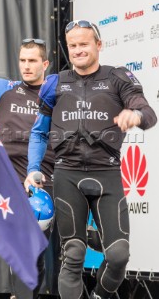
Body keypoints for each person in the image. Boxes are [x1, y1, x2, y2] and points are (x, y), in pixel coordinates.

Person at [24, 20, 157, 299]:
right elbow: (38, 132)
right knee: (73, 252)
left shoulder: (118, 77)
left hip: (106, 172)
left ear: (99, 45)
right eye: (72, 45)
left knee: (119, 255)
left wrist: (136, 116)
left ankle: (98, 296)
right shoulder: (55, 83)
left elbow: (148, 112)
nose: (78, 50)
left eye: (84, 44)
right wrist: (33, 169)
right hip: (66, 173)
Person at [0, 39, 59, 299]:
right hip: (1, 181)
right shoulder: (4, 89)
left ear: (45, 64)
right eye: (22, 60)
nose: (26, 67)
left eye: (32, 61)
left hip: (39, 182)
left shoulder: (56, 93)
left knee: (32, 253)